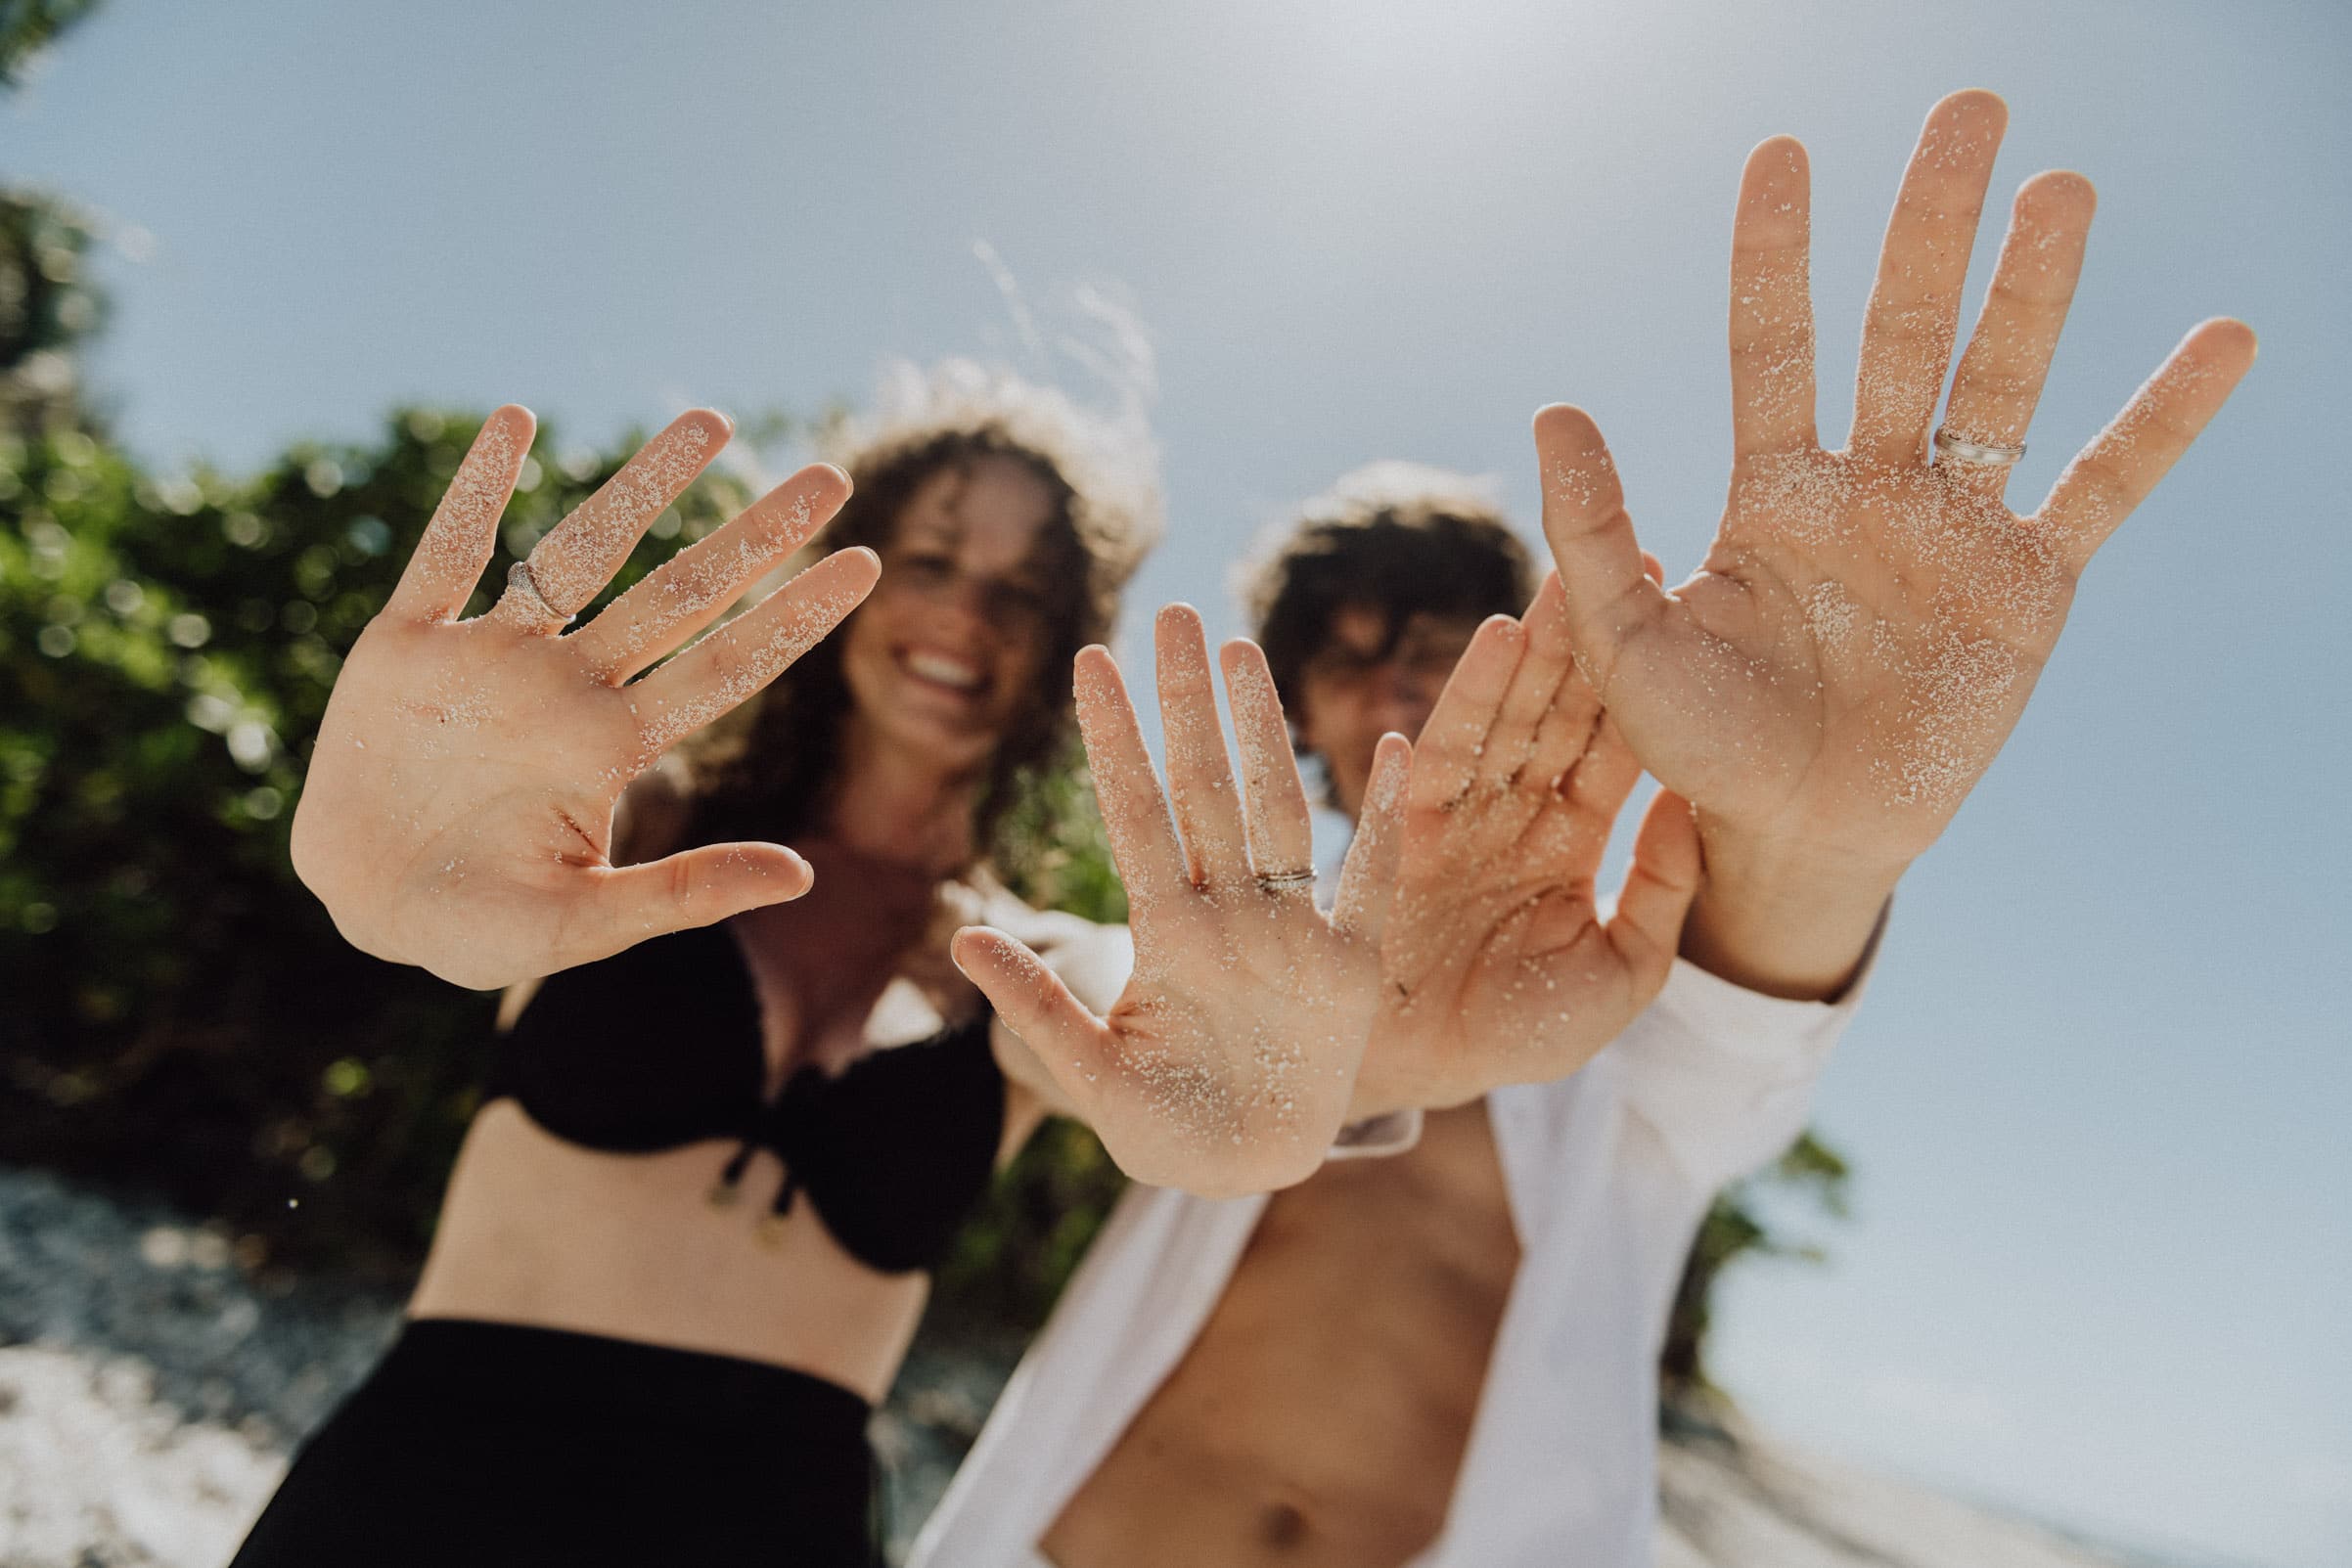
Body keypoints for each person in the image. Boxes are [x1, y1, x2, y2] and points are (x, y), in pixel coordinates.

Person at [914, 88, 2254, 1568]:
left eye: (1433, 634)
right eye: (1346, 653)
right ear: (1300, 707)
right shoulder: (1227, 948)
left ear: (1528, 652)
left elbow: (1748, 1044)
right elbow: (1082, 1002)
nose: (1393, 679)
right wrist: (1196, 1054)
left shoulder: (1620, 995)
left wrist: (1822, 844)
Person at [232, 367, 1164, 1567]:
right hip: (435, 1486)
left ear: (1066, 641)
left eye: (1023, 591)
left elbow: (1169, 1025)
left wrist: (1268, 1059)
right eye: (929, 561)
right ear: (846, 570)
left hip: (778, 1524)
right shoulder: (628, 826)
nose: (968, 616)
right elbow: (440, 897)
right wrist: (380, 882)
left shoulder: (1036, 963)